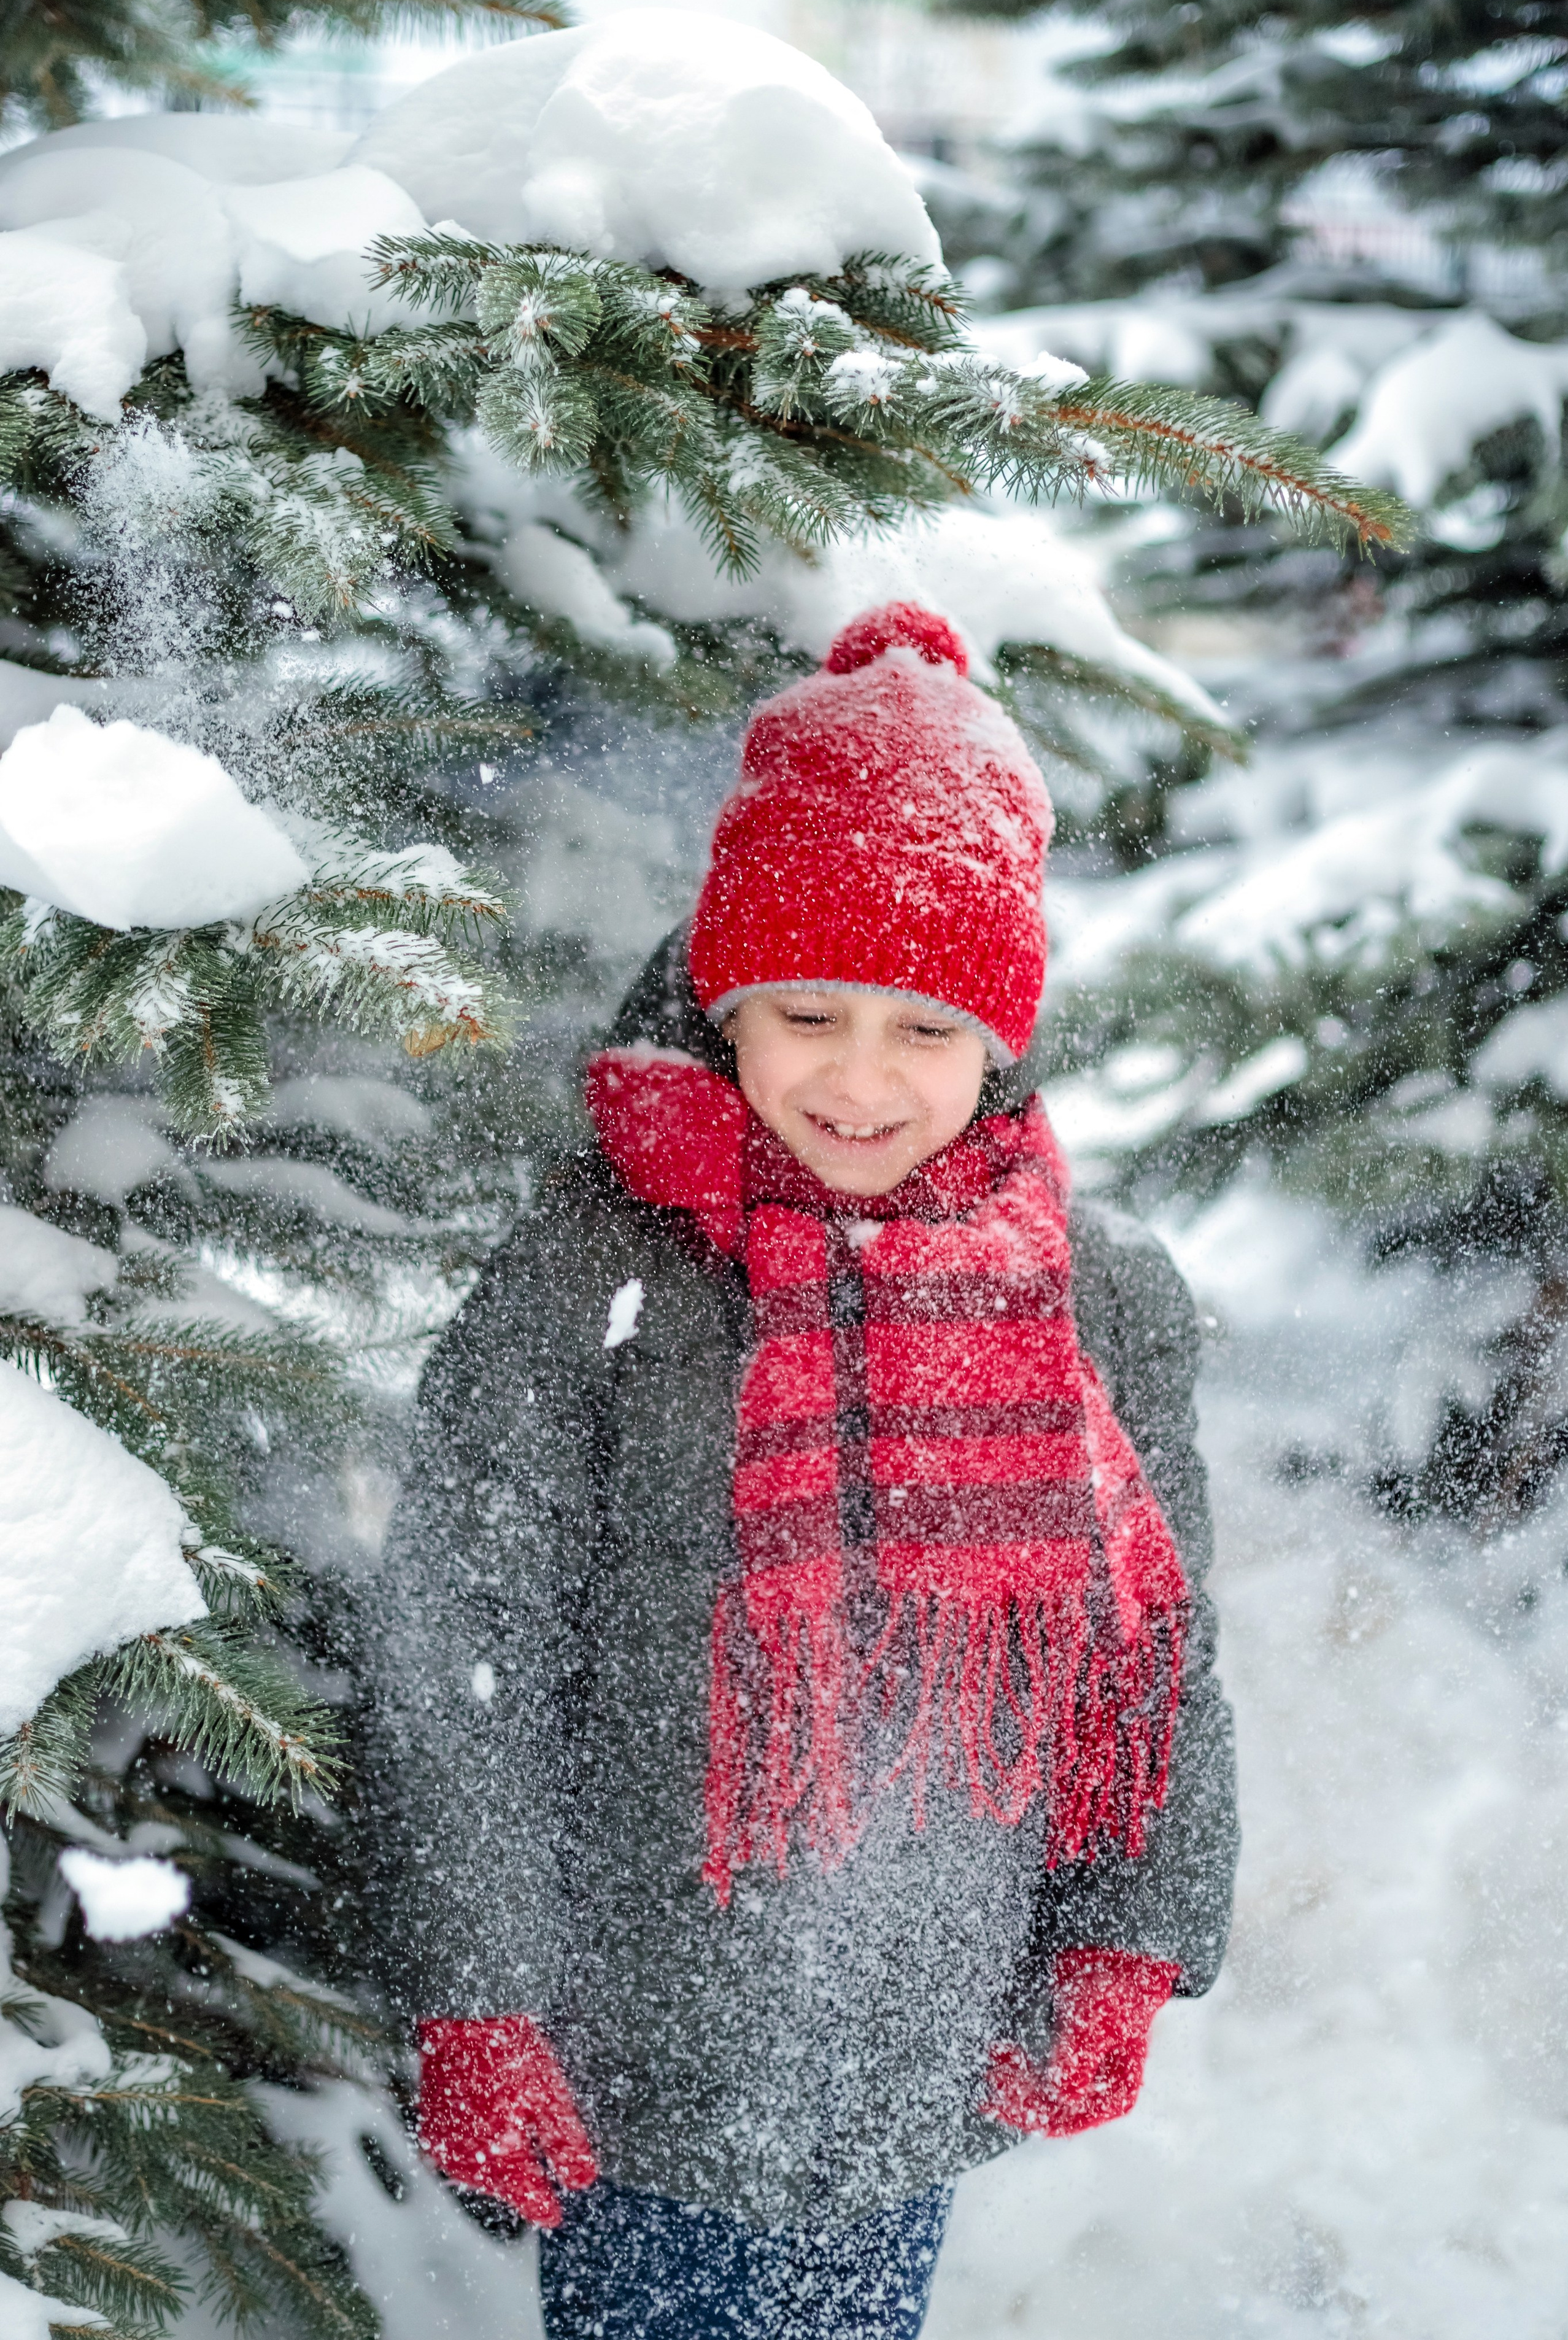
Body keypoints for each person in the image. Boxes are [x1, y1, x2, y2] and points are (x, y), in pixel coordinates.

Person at [362, 603, 1240, 2340]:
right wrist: (479, 1997)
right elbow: (463, 1642)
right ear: (725, 1003)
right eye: (807, 1013)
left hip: (917, 2042)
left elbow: (1154, 1660)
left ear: (1003, 1038)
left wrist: (1126, 1940)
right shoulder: (602, 1263)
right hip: (639, 2041)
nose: (858, 1080)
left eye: (924, 1029)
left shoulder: (1095, 1289)